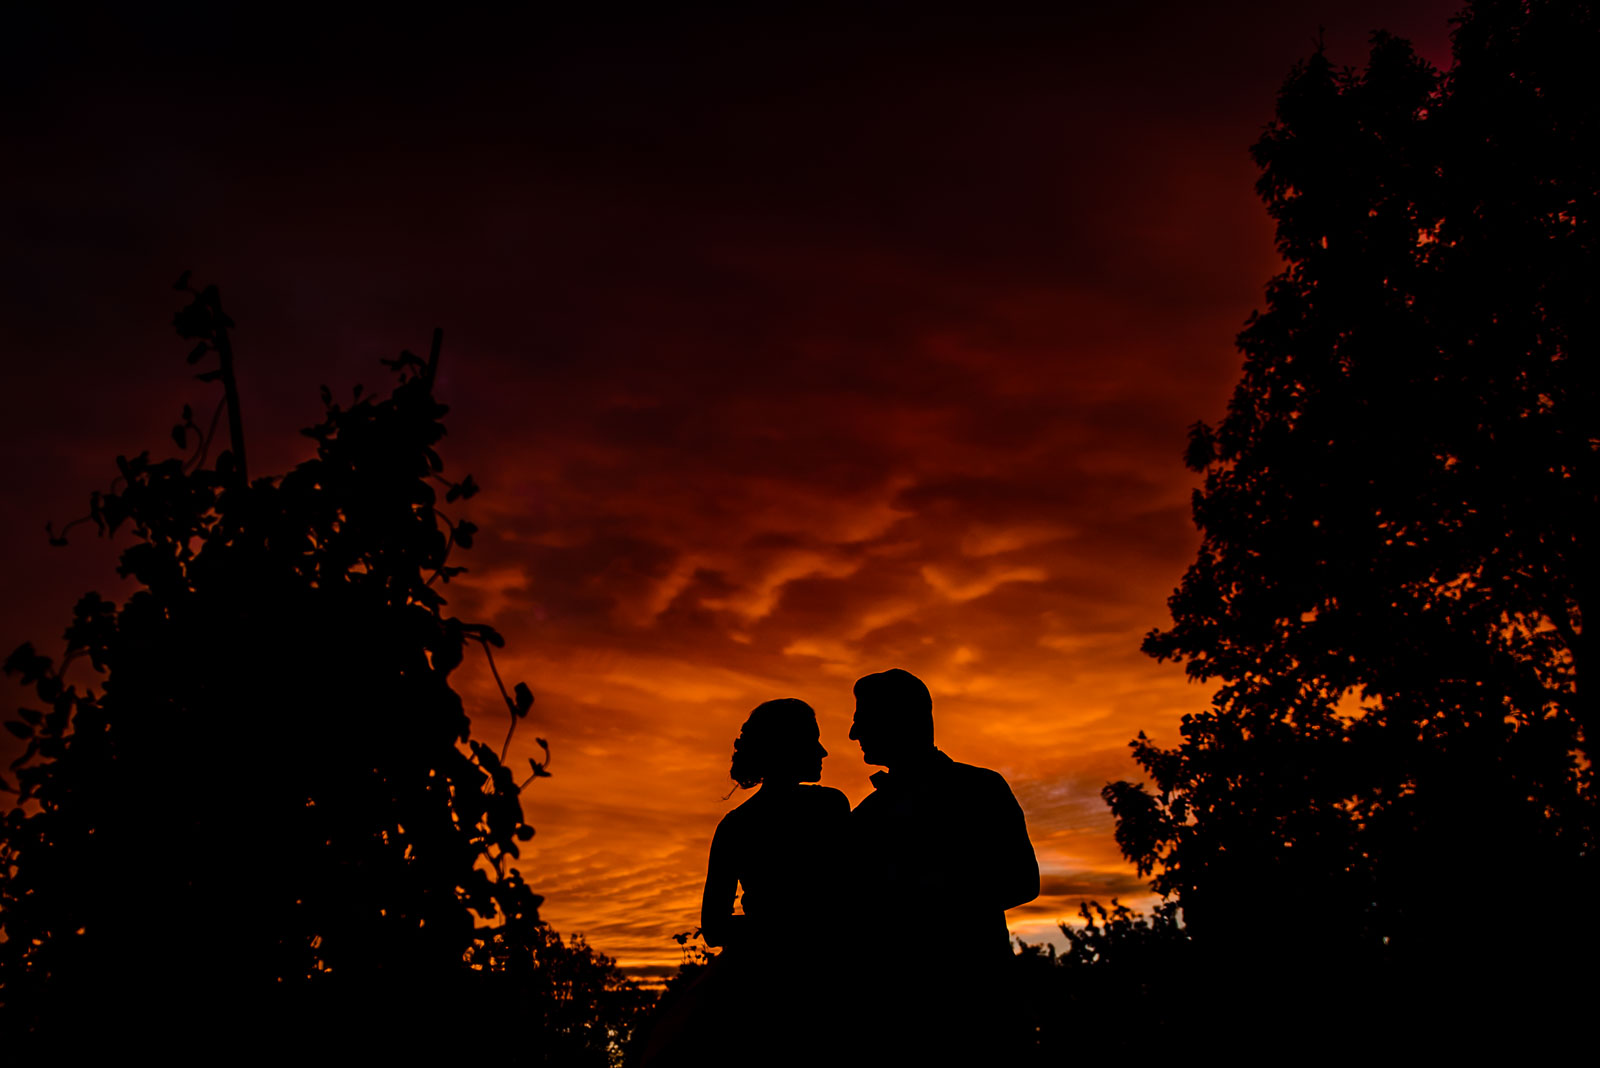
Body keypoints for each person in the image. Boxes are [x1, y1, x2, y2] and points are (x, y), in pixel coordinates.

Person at [638, 698, 849, 1067]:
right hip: (814, 973)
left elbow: (716, 928)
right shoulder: (829, 806)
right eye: (812, 740)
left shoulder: (736, 824)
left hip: (756, 974)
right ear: (787, 747)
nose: (823, 750)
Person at [847, 668, 1039, 1059]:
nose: (853, 734)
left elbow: (1022, 880)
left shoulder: (981, 789)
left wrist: (925, 899)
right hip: (897, 1020)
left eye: (862, 720)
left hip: (980, 1010)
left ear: (901, 720)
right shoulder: (865, 817)